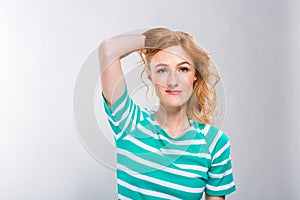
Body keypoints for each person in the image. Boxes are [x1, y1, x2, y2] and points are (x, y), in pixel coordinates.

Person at [98, 27, 236, 200]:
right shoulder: (129, 121)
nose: (172, 81)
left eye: (183, 69)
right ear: (150, 74)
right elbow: (108, 49)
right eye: (162, 70)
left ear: (195, 75)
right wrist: (153, 41)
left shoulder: (215, 143)